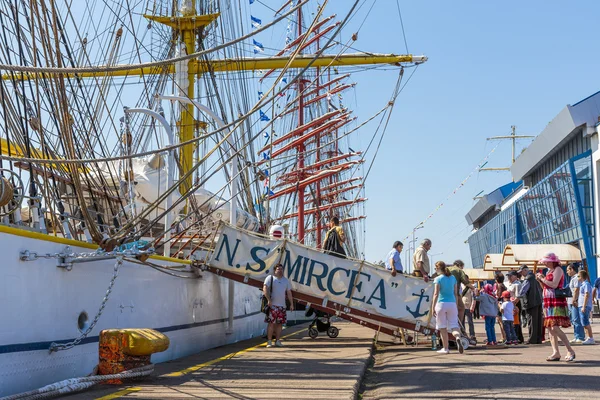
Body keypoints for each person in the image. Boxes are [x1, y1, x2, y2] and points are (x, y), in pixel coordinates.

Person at [536, 253, 575, 362]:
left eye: (546, 261)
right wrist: (540, 280)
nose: (544, 263)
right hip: (548, 301)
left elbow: (554, 284)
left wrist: (542, 279)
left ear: (552, 261)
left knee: (554, 327)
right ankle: (556, 352)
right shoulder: (548, 271)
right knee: (550, 328)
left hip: (556, 301)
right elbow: (545, 287)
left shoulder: (558, 270)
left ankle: (570, 350)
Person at [431, 261, 464, 354]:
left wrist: (433, 307)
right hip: (452, 304)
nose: (435, 270)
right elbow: (456, 293)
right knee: (454, 325)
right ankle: (457, 337)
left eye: (435, 268)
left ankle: (445, 348)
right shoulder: (453, 278)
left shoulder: (438, 279)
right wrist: (456, 305)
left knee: (442, 327)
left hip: (441, 304)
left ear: (438, 268)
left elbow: (436, 294)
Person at [263, 264, 294, 348]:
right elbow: (265, 289)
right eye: (278, 269)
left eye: (281, 269)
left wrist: (291, 304)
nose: (280, 270)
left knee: (280, 324)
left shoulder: (286, 281)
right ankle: (269, 341)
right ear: (275, 270)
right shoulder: (270, 278)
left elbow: (289, 293)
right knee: (271, 323)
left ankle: (277, 340)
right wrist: (269, 300)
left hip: (282, 306)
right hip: (272, 305)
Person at [518, 265, 544, 344]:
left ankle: (532, 339)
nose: (521, 274)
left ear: (525, 270)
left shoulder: (528, 279)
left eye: (521, 272)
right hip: (538, 301)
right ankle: (538, 339)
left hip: (531, 302)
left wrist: (517, 297)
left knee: (532, 321)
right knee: (538, 321)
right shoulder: (535, 278)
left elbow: (522, 291)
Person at [448, 260, 471, 326]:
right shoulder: (459, 271)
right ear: (460, 265)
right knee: (461, 308)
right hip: (455, 294)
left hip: (443, 294)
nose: (462, 269)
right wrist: (473, 288)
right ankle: (458, 324)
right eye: (462, 267)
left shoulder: (446, 269)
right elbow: (466, 282)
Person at [566, 264, 584, 344]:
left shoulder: (576, 278)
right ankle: (576, 336)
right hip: (571, 300)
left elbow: (577, 289)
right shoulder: (572, 278)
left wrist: (574, 300)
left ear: (572, 269)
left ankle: (580, 336)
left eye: (568, 270)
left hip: (575, 300)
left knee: (577, 319)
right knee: (574, 319)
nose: (567, 272)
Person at [577, 269, 595, 345]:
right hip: (582, 305)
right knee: (584, 322)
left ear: (581, 277)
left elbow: (586, 294)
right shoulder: (583, 284)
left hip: (585, 305)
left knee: (585, 322)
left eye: (578, 276)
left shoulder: (586, 284)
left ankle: (591, 338)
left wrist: (584, 306)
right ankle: (589, 337)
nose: (577, 277)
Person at [506, 271, 524, 343]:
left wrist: (513, 305)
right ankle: (517, 337)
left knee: (516, 321)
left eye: (511, 276)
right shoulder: (511, 284)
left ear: (515, 276)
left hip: (515, 304)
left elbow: (518, 296)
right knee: (513, 321)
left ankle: (517, 337)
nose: (509, 277)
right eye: (508, 276)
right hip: (511, 304)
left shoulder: (517, 284)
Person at [493, 273, 507, 343]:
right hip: (502, 304)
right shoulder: (503, 285)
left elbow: (498, 296)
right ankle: (504, 336)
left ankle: (504, 336)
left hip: (499, 304)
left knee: (500, 321)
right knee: (501, 321)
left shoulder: (499, 286)